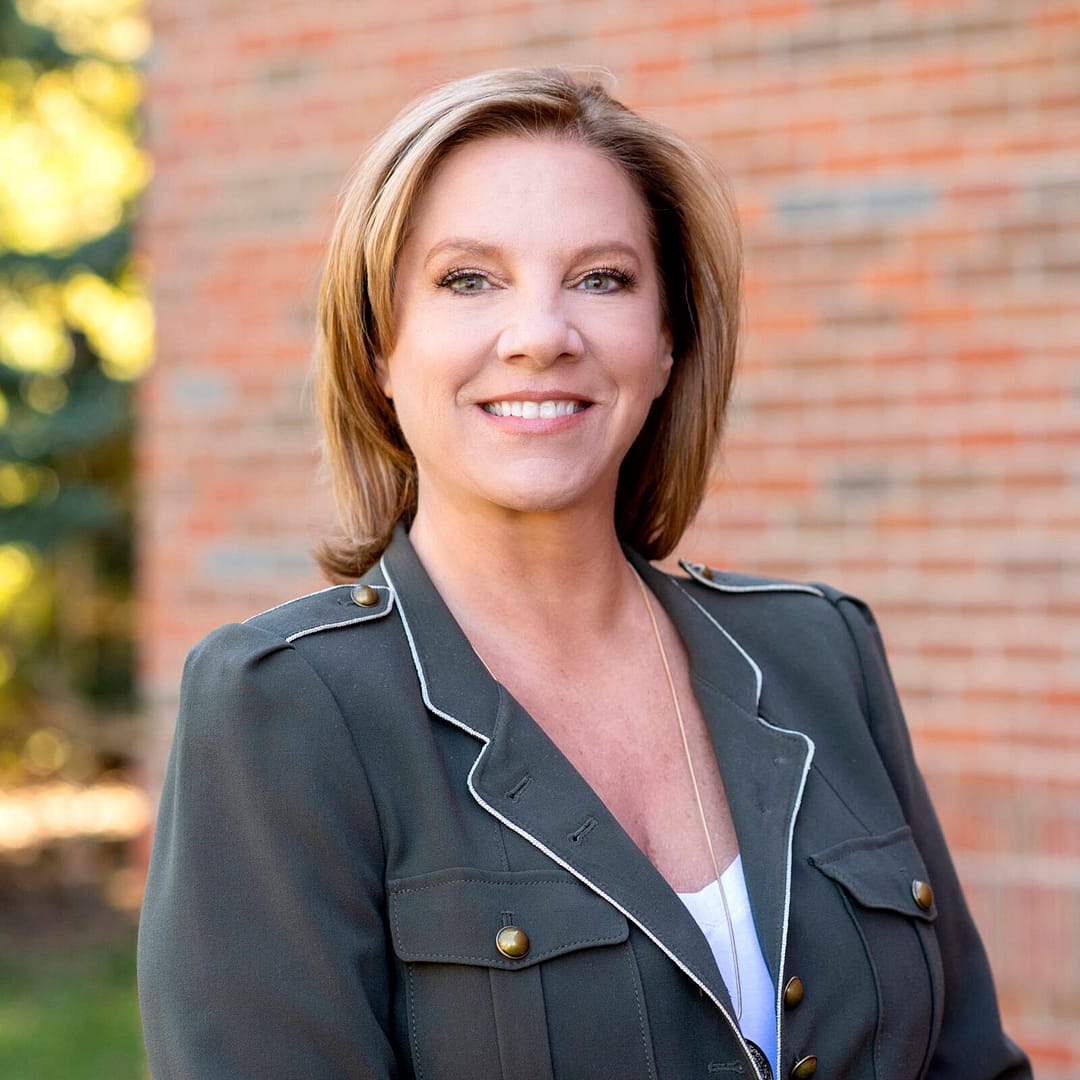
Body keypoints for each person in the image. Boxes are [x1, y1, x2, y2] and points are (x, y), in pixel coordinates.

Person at [137, 67, 1030, 1080]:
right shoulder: (285, 706)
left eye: (601, 279)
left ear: (668, 340)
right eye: (468, 280)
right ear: (379, 346)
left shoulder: (822, 649)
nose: (540, 337)